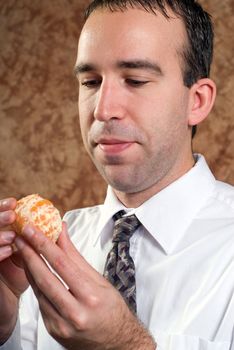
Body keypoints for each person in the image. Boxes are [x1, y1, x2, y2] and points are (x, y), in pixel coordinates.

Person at [0, 0, 233, 349]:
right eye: (90, 82)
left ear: (196, 101)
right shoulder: (44, 253)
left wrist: (125, 344)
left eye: (136, 80)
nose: (103, 109)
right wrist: (5, 327)